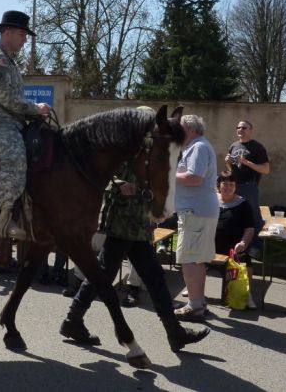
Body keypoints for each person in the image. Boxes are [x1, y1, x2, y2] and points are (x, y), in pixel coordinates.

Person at [60, 108, 209, 352]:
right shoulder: (120, 147)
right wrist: (118, 184)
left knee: (150, 277)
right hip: (120, 220)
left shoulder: (149, 149)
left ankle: (175, 333)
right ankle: (73, 320)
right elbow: (102, 174)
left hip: (138, 221)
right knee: (105, 274)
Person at [0, 10, 50, 240]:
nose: (25, 39)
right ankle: (6, 219)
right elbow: (4, 97)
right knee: (15, 157)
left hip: (12, 123)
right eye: (22, 34)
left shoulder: (10, 62)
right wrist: (35, 108)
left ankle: (27, 209)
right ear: (7, 32)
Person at [174, 114, 219, 320]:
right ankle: (198, 302)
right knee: (198, 260)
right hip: (199, 210)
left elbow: (194, 177)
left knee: (189, 260)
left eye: (179, 128)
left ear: (191, 129)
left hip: (195, 211)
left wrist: (168, 174)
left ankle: (194, 305)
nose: (176, 133)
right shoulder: (199, 146)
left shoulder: (198, 147)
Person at [225, 120, 270, 256]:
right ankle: (238, 245)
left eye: (244, 127)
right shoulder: (233, 145)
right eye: (238, 127)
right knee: (234, 216)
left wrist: (247, 162)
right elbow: (232, 170)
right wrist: (227, 163)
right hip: (234, 186)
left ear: (251, 130)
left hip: (249, 186)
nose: (240, 129)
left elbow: (266, 169)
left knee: (254, 217)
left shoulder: (257, 147)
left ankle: (255, 246)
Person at [215, 171, 256, 310]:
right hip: (210, 246)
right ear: (218, 185)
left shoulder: (243, 204)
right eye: (224, 184)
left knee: (245, 259)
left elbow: (250, 228)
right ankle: (194, 289)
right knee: (193, 256)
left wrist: (243, 243)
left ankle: (247, 294)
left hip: (234, 248)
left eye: (231, 184)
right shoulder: (210, 201)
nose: (228, 187)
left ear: (235, 186)